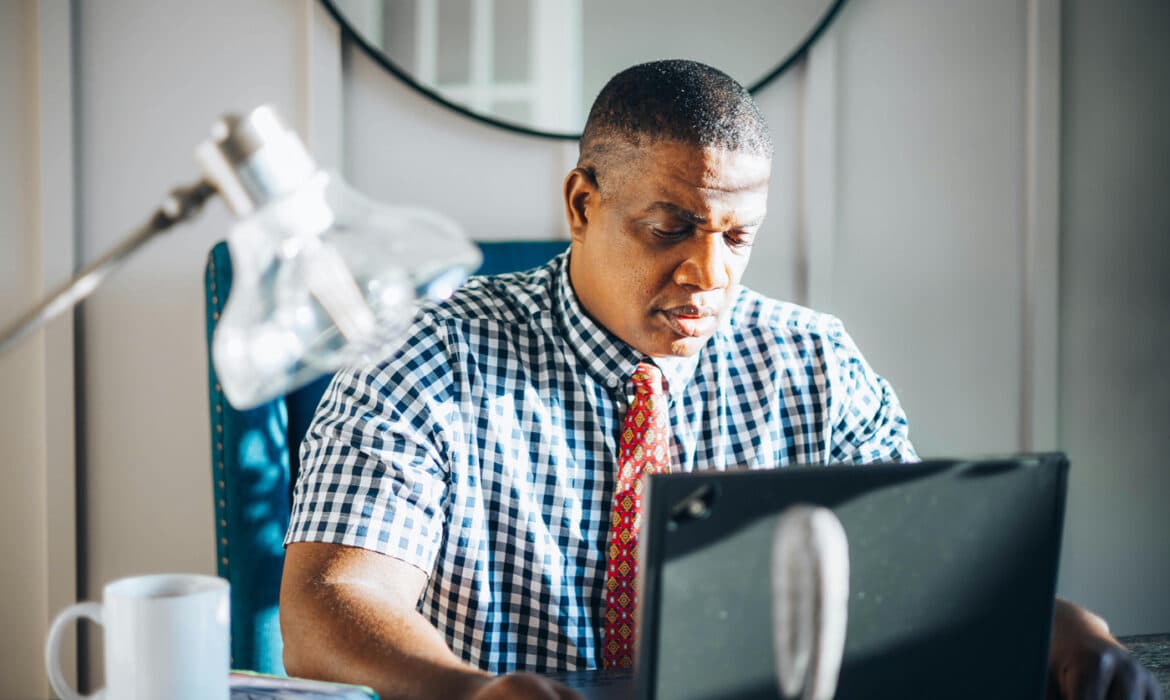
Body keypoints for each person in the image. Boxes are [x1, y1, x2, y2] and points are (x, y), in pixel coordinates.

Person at [279, 60, 1161, 700]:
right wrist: (467, 695)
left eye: (737, 237)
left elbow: (916, 575)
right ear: (583, 204)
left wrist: (1055, 628)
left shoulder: (813, 364)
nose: (710, 273)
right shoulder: (423, 357)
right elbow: (331, 602)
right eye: (671, 228)